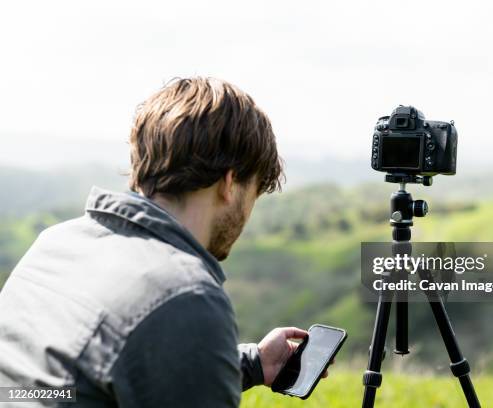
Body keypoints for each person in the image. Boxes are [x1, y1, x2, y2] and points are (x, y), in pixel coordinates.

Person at [0, 77, 319, 407]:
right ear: (229, 183)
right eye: (253, 194)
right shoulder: (183, 295)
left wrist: (254, 364)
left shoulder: (55, 243)